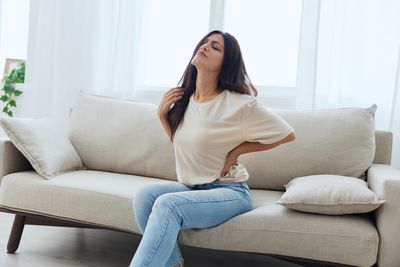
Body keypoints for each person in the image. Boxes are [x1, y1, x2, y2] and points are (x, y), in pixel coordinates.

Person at [129, 30, 296, 267]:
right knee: (145, 196)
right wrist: (162, 116)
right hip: (194, 188)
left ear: (226, 64)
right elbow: (186, 146)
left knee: (168, 205)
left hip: (230, 192)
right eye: (205, 42)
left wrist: (237, 151)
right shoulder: (186, 99)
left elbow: (286, 134)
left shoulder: (238, 105)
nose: (205, 46)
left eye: (215, 47)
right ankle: (174, 264)